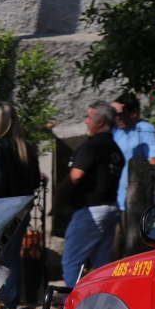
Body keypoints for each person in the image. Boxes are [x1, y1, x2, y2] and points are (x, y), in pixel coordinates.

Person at [0, 102, 41, 309]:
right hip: (21, 210)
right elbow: (35, 180)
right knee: (12, 260)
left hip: (1, 211)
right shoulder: (27, 146)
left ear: (2, 123)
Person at [53, 101, 124, 288]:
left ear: (99, 122)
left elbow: (75, 176)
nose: (86, 121)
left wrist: (58, 192)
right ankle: (101, 307)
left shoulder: (92, 146)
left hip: (90, 212)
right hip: (110, 209)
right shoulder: (115, 150)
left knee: (72, 262)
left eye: (89, 118)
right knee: (102, 265)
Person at [110, 93, 155, 259]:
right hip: (116, 200)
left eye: (121, 113)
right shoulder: (118, 131)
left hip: (134, 202)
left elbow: (153, 162)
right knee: (113, 252)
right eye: (115, 114)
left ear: (134, 112)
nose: (118, 117)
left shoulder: (145, 129)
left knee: (130, 252)